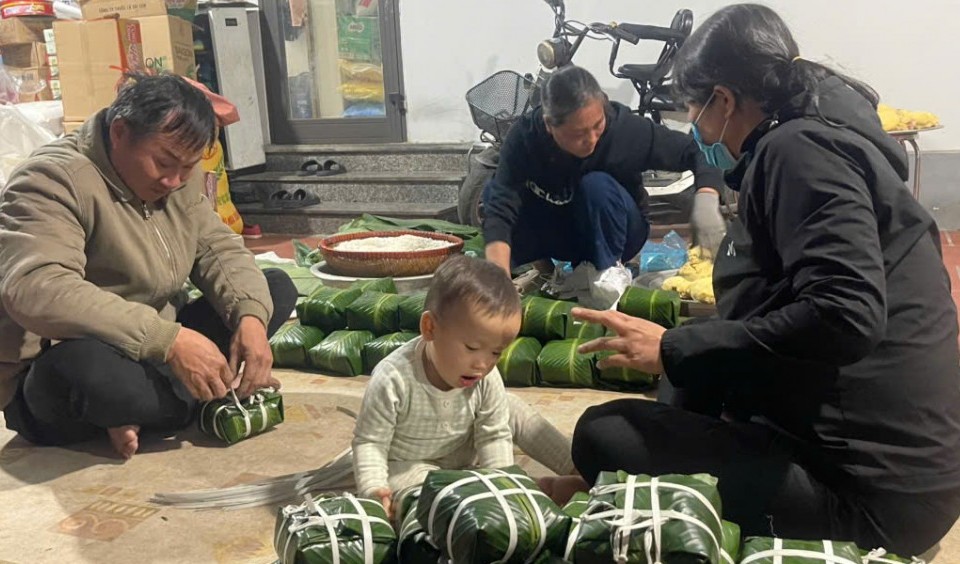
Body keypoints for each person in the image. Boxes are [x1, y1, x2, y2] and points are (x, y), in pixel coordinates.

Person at [559, 4, 960, 556]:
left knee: (603, 433)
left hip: (871, 495)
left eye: (694, 110)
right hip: (888, 463)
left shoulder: (797, 151)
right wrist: (683, 353)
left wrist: (675, 346)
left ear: (724, 100)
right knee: (689, 370)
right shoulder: (826, 136)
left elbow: (845, 314)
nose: (697, 129)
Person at [0, 74, 298, 459]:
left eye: (188, 168)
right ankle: (163, 400)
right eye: (164, 162)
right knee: (99, 375)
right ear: (120, 132)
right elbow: (37, 289)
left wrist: (251, 319)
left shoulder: (176, 180)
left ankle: (147, 407)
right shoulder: (51, 180)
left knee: (272, 289)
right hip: (64, 360)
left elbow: (218, 250)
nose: (174, 180)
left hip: (148, 349)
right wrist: (169, 340)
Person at [352, 255, 574, 518]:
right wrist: (373, 487)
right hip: (408, 465)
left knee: (511, 406)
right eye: (471, 348)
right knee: (427, 496)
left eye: (496, 352)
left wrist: (502, 487)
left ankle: (574, 467)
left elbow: (493, 436)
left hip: (465, 453)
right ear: (430, 327)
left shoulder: (486, 377)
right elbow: (370, 442)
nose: (483, 364)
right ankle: (488, 490)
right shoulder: (393, 378)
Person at [482, 65, 726, 286]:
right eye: (578, 133)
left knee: (595, 186)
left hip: (620, 230)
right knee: (494, 190)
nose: (591, 140)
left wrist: (707, 199)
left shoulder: (624, 129)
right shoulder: (525, 139)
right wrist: (498, 281)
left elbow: (697, 149)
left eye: (597, 125)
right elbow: (501, 207)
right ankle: (543, 270)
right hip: (562, 231)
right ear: (549, 124)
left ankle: (606, 272)